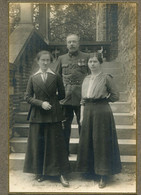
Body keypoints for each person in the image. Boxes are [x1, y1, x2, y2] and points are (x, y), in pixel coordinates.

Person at [23, 50, 70, 187]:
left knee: (56, 145)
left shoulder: (56, 76)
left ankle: (61, 173)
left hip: (53, 114)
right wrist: (41, 103)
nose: (45, 62)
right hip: (37, 115)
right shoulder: (33, 78)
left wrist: (51, 102)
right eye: (42, 60)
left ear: (51, 62)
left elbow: (62, 94)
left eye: (47, 60)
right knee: (39, 143)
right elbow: (27, 97)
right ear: (38, 61)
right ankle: (40, 172)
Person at [76, 52, 122, 188]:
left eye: (95, 61)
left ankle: (103, 174)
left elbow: (115, 95)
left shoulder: (106, 78)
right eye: (90, 62)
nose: (92, 64)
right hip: (88, 111)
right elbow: (82, 100)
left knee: (101, 141)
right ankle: (90, 171)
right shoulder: (86, 79)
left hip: (102, 111)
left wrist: (103, 100)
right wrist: (82, 116)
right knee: (89, 140)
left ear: (100, 63)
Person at [55, 34, 89, 155]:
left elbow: (91, 76)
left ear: (79, 43)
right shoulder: (61, 59)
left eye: (74, 42)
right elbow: (56, 77)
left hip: (82, 98)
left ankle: (84, 152)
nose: (72, 44)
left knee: (83, 125)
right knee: (64, 126)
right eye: (69, 42)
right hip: (66, 98)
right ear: (66, 44)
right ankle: (64, 151)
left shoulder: (86, 57)